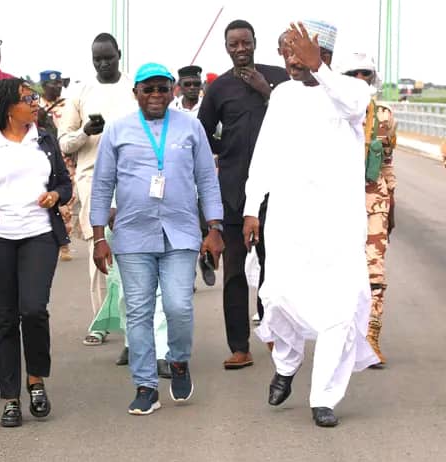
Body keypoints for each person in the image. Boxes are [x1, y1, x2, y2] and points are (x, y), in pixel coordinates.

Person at [243, 22, 380, 428]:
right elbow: (264, 153)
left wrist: (318, 66)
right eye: (284, 50)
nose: (288, 58)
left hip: (337, 225)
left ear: (322, 53)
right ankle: (287, 364)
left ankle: (324, 397)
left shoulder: (351, 90)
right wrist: (253, 206)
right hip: (288, 220)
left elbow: (353, 106)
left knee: (337, 311)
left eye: (296, 50)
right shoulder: (283, 95)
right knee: (278, 299)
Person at [91, 63, 224, 415]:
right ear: (135, 92)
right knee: (138, 312)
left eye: (162, 89)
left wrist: (214, 227)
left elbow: (207, 180)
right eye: (147, 89)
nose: (155, 96)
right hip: (133, 235)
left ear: (173, 90)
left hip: (181, 233)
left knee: (179, 306)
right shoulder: (118, 130)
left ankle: (178, 361)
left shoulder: (191, 127)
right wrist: (97, 237)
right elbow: (102, 184)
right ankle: (146, 385)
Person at [0, 78, 72, 427]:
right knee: (4, 317)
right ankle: (10, 398)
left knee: (33, 310)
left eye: (34, 97)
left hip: (38, 235)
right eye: (27, 98)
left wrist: (55, 196)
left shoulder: (44, 139)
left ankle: (36, 380)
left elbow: (63, 183)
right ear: (8, 107)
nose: (34, 103)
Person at [197, 19, 289, 370]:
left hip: (275, 192)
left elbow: (296, 119)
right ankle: (239, 346)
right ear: (226, 47)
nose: (240, 49)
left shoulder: (278, 78)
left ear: (254, 42)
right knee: (234, 272)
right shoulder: (218, 89)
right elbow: (202, 133)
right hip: (234, 192)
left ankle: (273, 333)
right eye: (233, 44)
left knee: (274, 269)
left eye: (245, 42)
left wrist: (267, 91)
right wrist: (228, 147)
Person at [58, 32, 137, 349]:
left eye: (109, 57)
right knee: (98, 247)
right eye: (98, 59)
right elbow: (64, 142)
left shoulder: (134, 88)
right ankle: (100, 321)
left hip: (133, 178)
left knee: (134, 249)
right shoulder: (80, 92)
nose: (104, 63)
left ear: (119, 54)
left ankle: (134, 320)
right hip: (92, 178)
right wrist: (84, 132)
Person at [342, 53, 398, 367]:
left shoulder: (385, 115)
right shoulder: (332, 113)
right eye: (354, 72)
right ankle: (344, 337)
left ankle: (370, 338)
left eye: (365, 73)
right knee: (341, 274)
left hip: (374, 202)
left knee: (375, 271)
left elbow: (388, 162)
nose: (360, 77)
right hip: (339, 203)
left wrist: (392, 206)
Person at [38, 70, 76, 262]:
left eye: (60, 83)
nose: (57, 87)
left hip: (66, 159)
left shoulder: (69, 105)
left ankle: (64, 242)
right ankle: (58, 240)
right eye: (53, 84)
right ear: (43, 86)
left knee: (64, 201)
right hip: (43, 158)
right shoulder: (34, 105)